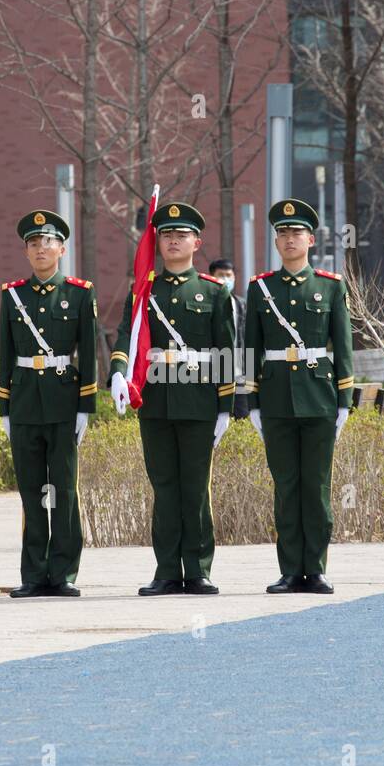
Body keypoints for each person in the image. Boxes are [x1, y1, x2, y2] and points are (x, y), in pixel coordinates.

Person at [109, 202, 236, 596]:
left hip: (198, 401)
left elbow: (225, 351)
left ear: (196, 242)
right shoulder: (144, 291)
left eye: (182, 235)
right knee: (164, 486)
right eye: (166, 234)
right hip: (156, 400)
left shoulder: (213, 293)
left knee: (195, 487)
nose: (174, 241)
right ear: (157, 241)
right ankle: (166, 570)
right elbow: (125, 337)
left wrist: (225, 407)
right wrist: (117, 372)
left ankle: (197, 569)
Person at [244, 198, 354, 595]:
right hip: (275, 400)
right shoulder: (261, 288)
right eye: (282, 233)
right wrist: (251, 401)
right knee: (286, 487)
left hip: (319, 397)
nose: (289, 239)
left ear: (310, 239)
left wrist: (345, 400)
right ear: (276, 241)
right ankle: (291, 569)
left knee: (317, 486)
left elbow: (342, 346)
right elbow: (250, 348)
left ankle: (317, 567)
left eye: (296, 233)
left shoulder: (330, 285)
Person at [0, 209, 98, 598]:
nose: (41, 249)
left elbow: (88, 353)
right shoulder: (13, 295)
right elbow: (6, 355)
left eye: (48, 242)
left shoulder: (79, 292)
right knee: (31, 491)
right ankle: (34, 575)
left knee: (64, 491)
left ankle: (64, 573)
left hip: (62, 402)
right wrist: (5, 408)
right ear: (25, 252)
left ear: (62, 248)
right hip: (24, 403)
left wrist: (86, 407)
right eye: (33, 243)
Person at [208, 258, 250, 419]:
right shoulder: (204, 304)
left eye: (228, 275)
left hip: (240, 373)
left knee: (242, 417)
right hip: (211, 374)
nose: (225, 279)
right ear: (212, 277)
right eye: (220, 275)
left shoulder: (242, 304)